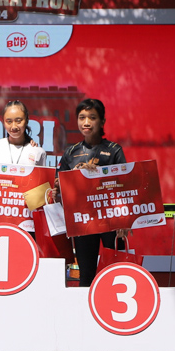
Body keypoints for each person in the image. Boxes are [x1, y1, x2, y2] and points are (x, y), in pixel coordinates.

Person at [57, 98, 127, 287]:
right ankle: (85, 307)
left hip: (111, 221)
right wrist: (73, 175)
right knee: (86, 274)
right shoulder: (71, 152)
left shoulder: (114, 150)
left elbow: (124, 186)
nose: (86, 122)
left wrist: (124, 220)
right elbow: (59, 186)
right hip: (83, 221)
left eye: (92, 117)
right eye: (82, 118)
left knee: (115, 272)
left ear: (102, 121)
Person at [0, 100, 46, 233]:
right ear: (3, 122)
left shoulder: (38, 152)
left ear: (27, 120)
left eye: (18, 120)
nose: (14, 126)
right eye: (9, 121)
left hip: (27, 221)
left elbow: (42, 188)